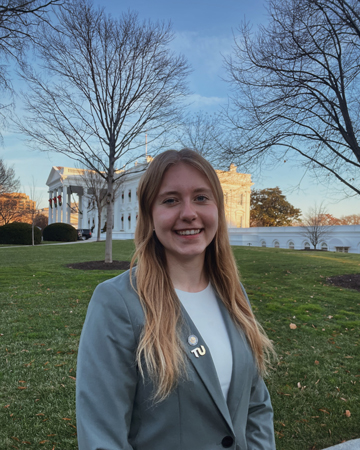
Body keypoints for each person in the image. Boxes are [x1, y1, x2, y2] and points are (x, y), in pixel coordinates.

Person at [76, 149, 276, 450]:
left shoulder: (232, 294)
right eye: (170, 200)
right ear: (150, 215)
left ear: (217, 210)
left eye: (201, 197)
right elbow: (101, 437)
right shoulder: (117, 303)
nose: (188, 213)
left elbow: (256, 404)